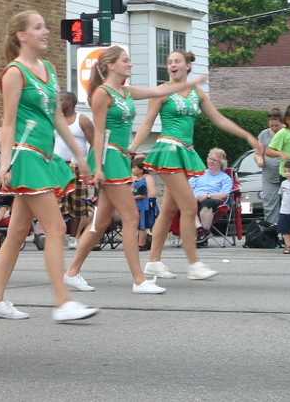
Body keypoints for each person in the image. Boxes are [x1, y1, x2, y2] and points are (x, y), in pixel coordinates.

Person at [0, 10, 97, 323]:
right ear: (22, 35)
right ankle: (62, 301)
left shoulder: (47, 68)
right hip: (26, 155)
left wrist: (80, 155)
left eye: (44, 26)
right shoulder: (14, 73)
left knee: (17, 232)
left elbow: (57, 118)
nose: (46, 31)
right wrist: (4, 164)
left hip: (45, 156)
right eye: (39, 27)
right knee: (56, 228)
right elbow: (8, 122)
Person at [64, 45, 200, 295]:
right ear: (110, 65)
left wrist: (191, 81)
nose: (130, 64)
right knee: (131, 217)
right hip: (108, 157)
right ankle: (139, 279)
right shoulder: (102, 94)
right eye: (125, 60)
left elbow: (157, 90)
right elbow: (98, 136)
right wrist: (99, 169)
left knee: (101, 221)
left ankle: (72, 272)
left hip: (119, 157)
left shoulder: (125, 92)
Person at [136, 50, 260, 280]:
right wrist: (132, 147)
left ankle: (153, 261)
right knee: (190, 207)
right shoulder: (162, 91)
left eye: (177, 61)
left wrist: (246, 136)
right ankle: (194, 263)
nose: (172, 64)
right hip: (169, 151)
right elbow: (146, 123)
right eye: (169, 61)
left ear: (187, 67)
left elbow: (219, 119)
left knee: (169, 209)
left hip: (186, 151)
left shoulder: (197, 93)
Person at [53, 92, 93, 249]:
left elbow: (94, 143)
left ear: (72, 102)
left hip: (76, 166)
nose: (60, 102)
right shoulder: (55, 120)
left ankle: (73, 237)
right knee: (57, 202)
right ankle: (59, 235)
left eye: (62, 99)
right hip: (58, 166)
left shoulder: (81, 120)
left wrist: (89, 164)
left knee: (77, 204)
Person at [190, 149, 234, 233]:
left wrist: (207, 196)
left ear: (221, 163)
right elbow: (188, 188)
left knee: (208, 203)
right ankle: (200, 231)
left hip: (212, 199)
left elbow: (224, 195)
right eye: (210, 159)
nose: (211, 161)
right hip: (194, 199)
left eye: (214, 160)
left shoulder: (225, 178)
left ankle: (202, 233)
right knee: (185, 202)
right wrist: (194, 197)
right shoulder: (199, 173)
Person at [257, 108, 285, 226]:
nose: (273, 128)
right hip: (269, 176)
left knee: (288, 205)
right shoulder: (263, 135)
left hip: (286, 175)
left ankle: (287, 234)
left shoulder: (287, 133)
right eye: (271, 125)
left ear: (282, 123)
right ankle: (272, 233)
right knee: (270, 206)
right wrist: (260, 161)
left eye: (276, 125)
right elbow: (258, 153)